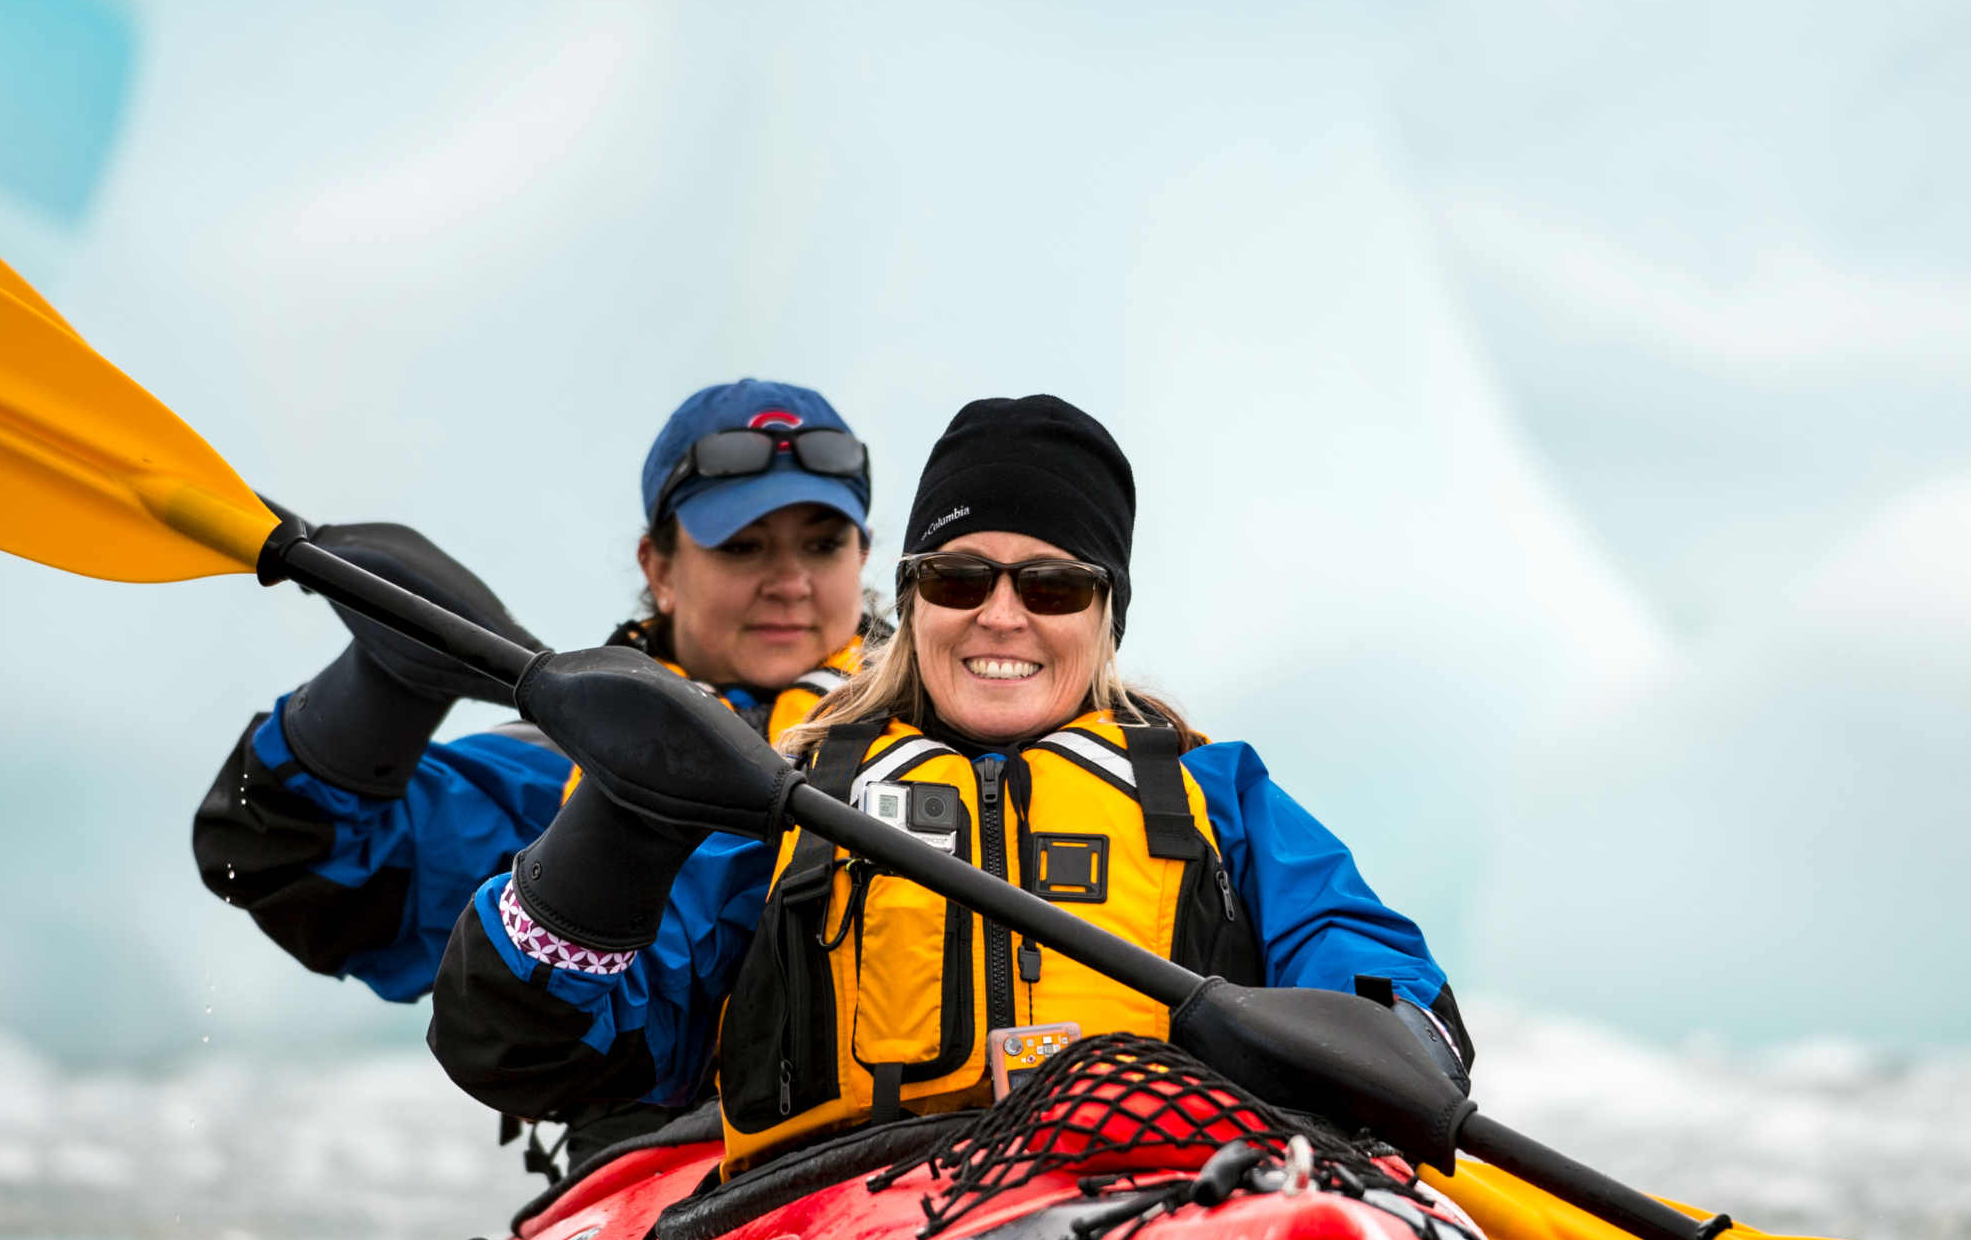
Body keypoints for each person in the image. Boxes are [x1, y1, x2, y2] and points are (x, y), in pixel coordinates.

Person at [433, 394, 1472, 1177]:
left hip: (1160, 1187)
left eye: (1055, 584)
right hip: (844, 1210)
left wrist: (1379, 1029)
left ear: (1107, 615)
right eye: (962, 578)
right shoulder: (794, 799)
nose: (1002, 615)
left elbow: (1363, 952)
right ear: (916, 597)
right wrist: (617, 823)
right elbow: (550, 1043)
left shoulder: (1211, 791)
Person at [193, 379, 882, 1161]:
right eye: (742, 546)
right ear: (657, 566)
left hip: (919, 1166)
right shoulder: (552, 775)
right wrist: (380, 690)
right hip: (661, 1182)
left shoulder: (952, 758)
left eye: (822, 545)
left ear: (864, 556)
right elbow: (276, 855)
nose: (788, 582)